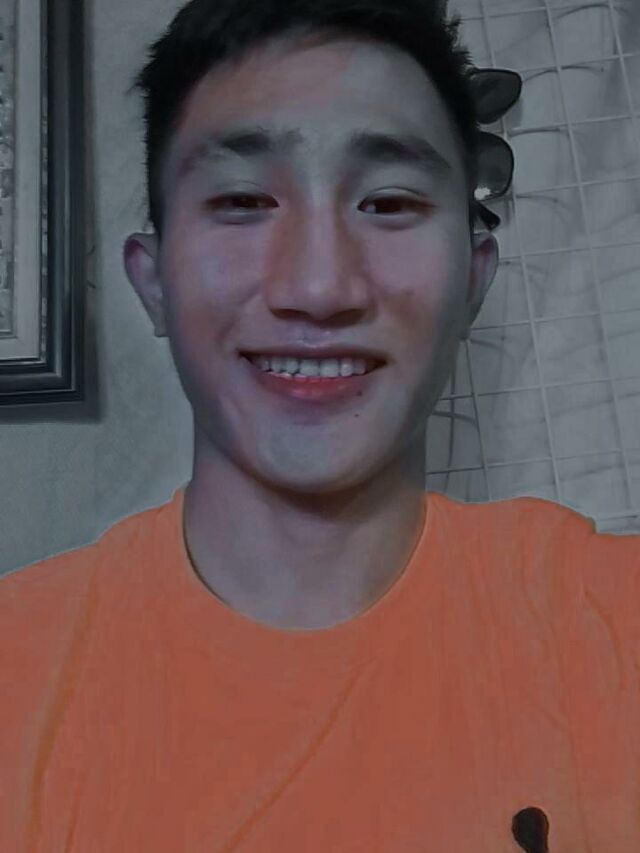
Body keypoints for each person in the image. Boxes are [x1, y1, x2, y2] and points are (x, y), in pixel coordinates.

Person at [1, 0, 639, 850]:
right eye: (242, 200)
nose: (319, 285)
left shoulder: (608, 627)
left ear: (472, 279)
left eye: (388, 202)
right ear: (153, 283)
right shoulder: (18, 674)